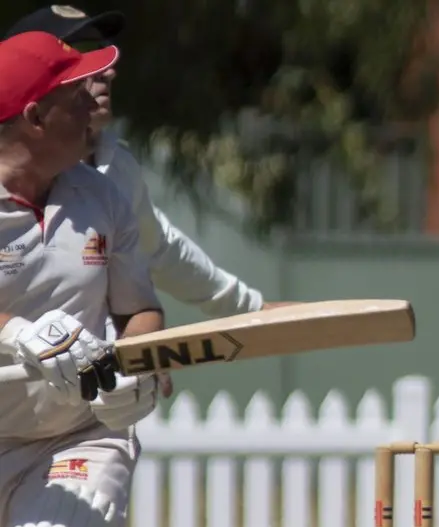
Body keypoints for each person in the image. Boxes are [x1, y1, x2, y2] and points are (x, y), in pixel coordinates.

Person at [0, 28, 167, 527]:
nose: (92, 108)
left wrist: (137, 371)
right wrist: (15, 331)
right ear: (35, 116)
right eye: (75, 97)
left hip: (76, 437)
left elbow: (140, 312)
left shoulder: (103, 196)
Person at [5, 5, 287, 323]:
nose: (107, 71)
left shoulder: (115, 168)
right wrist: (18, 336)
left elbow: (161, 250)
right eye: (80, 54)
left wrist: (252, 311)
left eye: (101, 53)